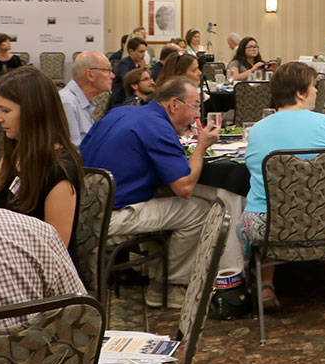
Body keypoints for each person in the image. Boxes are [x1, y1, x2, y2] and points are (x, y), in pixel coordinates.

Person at [80, 77, 220, 308]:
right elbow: (184, 187)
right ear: (174, 105)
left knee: (168, 198)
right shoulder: (158, 126)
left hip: (83, 209)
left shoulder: (120, 112)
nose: (196, 116)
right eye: (195, 106)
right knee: (201, 210)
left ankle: (157, 272)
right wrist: (202, 146)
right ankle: (170, 285)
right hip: (110, 216)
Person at [238, 62, 325, 308]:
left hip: (268, 226)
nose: (316, 91)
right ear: (300, 93)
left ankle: (265, 284)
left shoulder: (257, 130)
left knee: (268, 209)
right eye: (313, 86)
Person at [0, 111, 85, 327]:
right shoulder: (36, 236)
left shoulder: (57, 170)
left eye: (5, 110)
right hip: (32, 346)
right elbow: (81, 321)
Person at [0, 67, 83, 246]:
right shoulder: (16, 150)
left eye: (5, 110)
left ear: (33, 113)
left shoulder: (60, 170)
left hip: (36, 261)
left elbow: (55, 249)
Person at [59, 51, 113, 146]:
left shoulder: (88, 101)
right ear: (90, 75)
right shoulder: (67, 103)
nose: (112, 76)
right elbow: (74, 150)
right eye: (107, 70)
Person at [111, 36, 148, 103]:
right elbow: (128, 81)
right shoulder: (124, 64)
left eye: (144, 52)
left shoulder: (138, 64)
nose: (144, 55)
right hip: (122, 101)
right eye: (141, 52)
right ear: (131, 51)